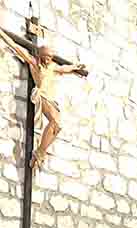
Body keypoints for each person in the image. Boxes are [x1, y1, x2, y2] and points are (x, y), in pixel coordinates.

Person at [0, 30, 87, 172]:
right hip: (42, 96)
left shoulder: (52, 67)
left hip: (51, 99)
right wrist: (2, 34)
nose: (48, 59)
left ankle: (40, 151)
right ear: (40, 55)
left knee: (57, 127)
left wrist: (76, 68)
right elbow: (16, 47)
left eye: (50, 57)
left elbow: (64, 68)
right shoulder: (34, 64)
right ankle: (39, 153)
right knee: (55, 122)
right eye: (46, 57)